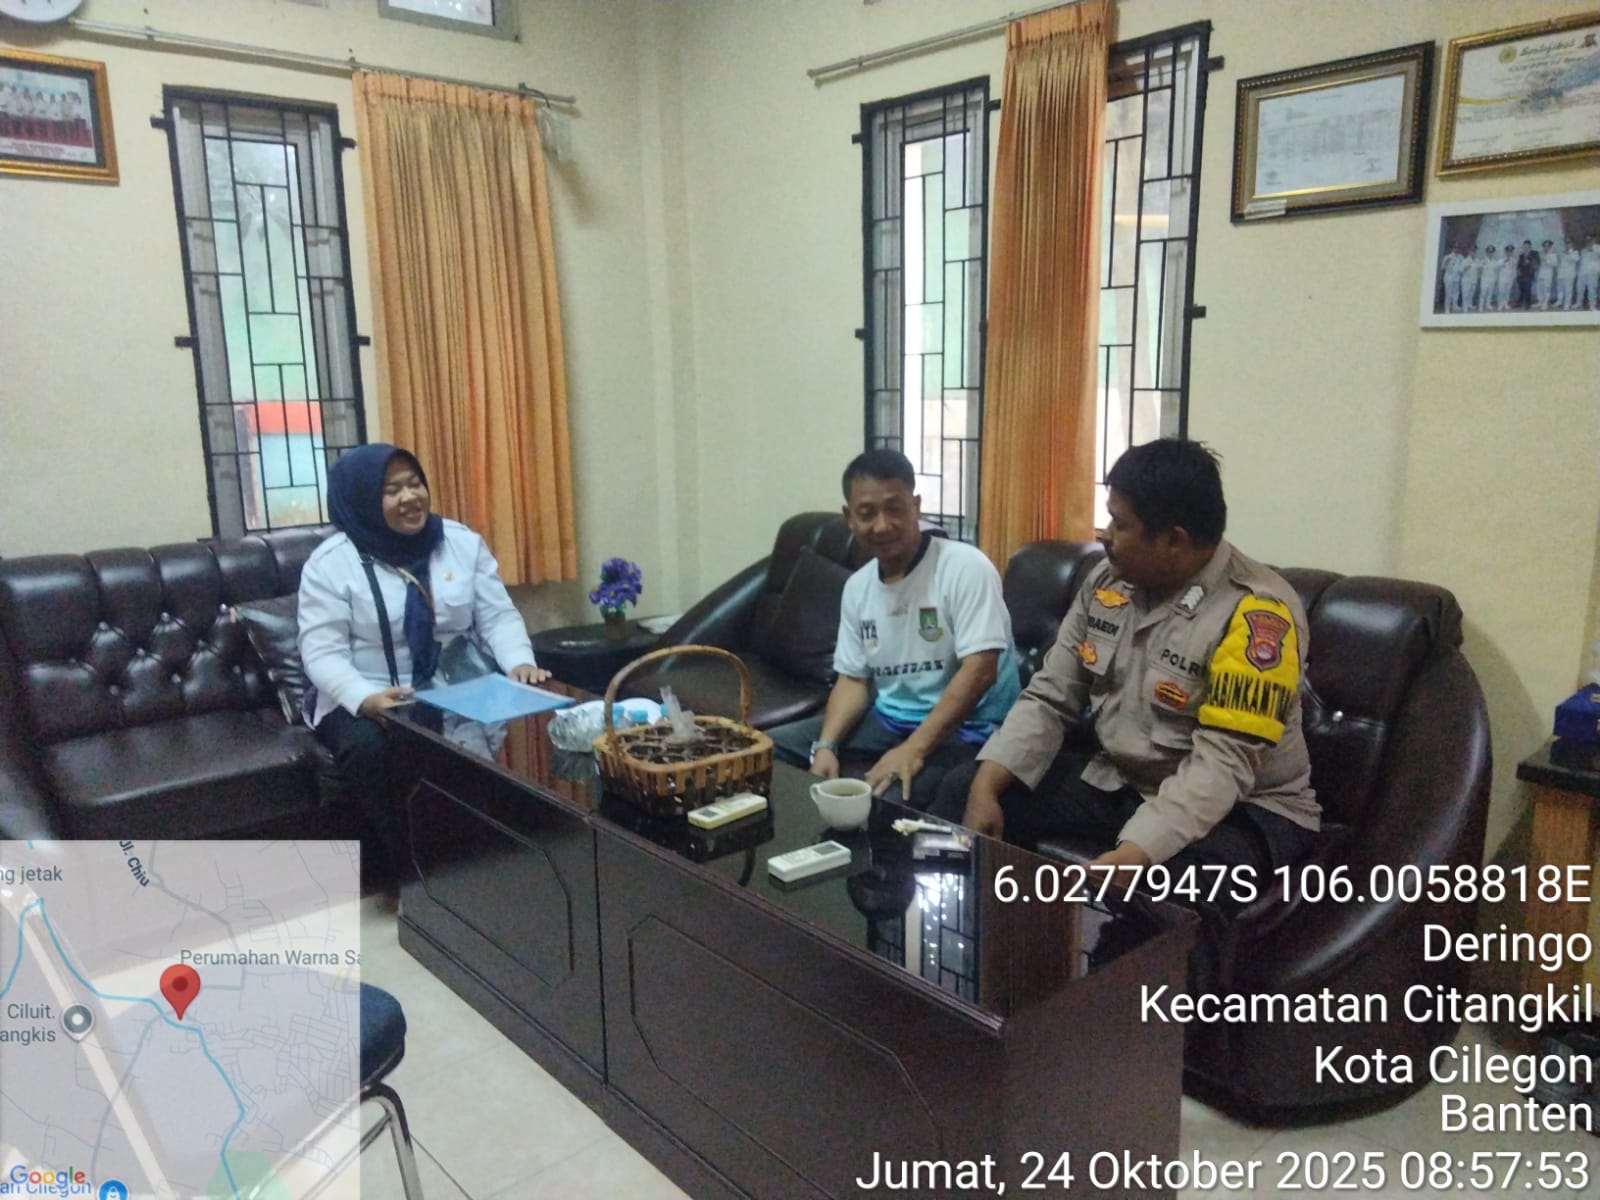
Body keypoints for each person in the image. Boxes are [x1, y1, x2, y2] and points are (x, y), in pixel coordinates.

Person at [934, 439, 1319, 909]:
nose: (1105, 535)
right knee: (962, 789)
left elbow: (1222, 766)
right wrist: (988, 783)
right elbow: (1051, 696)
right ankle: (966, 937)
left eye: (1120, 524)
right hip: (1127, 781)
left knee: (1179, 892)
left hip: (1246, 807)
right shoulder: (1107, 582)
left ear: (1174, 540)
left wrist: (1135, 852)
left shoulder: (1258, 616)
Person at [298, 443, 549, 881]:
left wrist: (519, 663)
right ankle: (414, 877)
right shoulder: (331, 564)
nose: (410, 497)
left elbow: (497, 616)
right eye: (392, 490)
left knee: (534, 720)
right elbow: (321, 652)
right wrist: (365, 698)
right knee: (369, 749)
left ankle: (511, 859)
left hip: (456, 681)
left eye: (415, 484)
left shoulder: (460, 543)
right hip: (368, 690)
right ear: (361, 499)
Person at [768, 448, 1021, 810]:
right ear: (849, 518)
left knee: (880, 804)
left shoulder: (965, 567)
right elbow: (853, 680)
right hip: (889, 720)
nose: (882, 525)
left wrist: (912, 750)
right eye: (867, 513)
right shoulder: (857, 587)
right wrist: (826, 745)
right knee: (763, 752)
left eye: (895, 508)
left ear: (916, 507)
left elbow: (980, 670)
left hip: (970, 730)